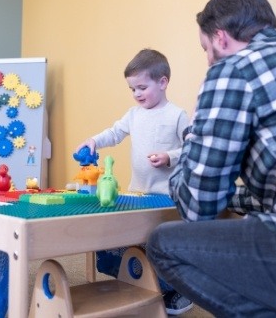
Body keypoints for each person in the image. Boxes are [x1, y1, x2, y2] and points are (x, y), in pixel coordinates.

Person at [146, 0, 276, 316]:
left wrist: (195, 133)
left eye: (205, 49)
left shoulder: (231, 69)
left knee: (163, 244)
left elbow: (196, 208)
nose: (208, 60)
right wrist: (233, 196)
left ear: (221, 38)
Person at [76, 48, 192, 315]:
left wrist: (169, 156)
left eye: (142, 87)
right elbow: (114, 133)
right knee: (118, 243)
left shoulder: (176, 115)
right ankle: (141, 284)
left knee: (158, 249)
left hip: (165, 197)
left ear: (163, 82)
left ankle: (179, 290)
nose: (137, 94)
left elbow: (190, 149)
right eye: (132, 89)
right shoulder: (133, 114)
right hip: (137, 193)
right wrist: (94, 140)